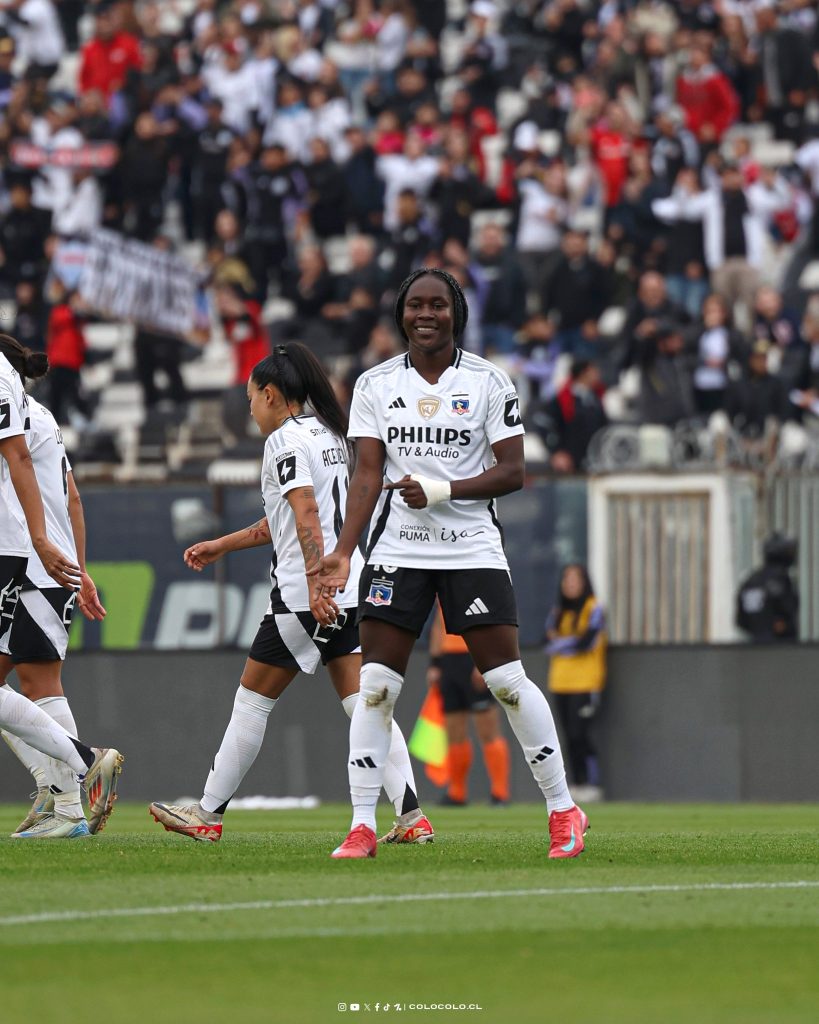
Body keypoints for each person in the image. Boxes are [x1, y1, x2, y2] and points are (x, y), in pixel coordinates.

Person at [310, 268, 588, 860]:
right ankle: (362, 824)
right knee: (377, 688)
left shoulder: (490, 381)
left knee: (508, 684)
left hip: (471, 549)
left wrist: (443, 490)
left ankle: (563, 810)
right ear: (401, 314)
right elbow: (366, 475)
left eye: (438, 305)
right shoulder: (374, 384)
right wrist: (340, 550)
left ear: (456, 312)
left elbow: (514, 472)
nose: (426, 314)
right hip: (397, 549)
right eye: (416, 305)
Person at [149, 343, 432, 845]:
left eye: (252, 397)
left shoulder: (284, 441)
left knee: (252, 701)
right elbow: (286, 519)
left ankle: (208, 813)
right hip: (348, 587)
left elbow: (304, 515)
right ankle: (412, 817)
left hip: (306, 594)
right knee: (364, 706)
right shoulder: (326, 435)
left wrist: (317, 583)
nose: (250, 407)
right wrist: (223, 544)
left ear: (273, 395)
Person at [0, 335, 123, 835]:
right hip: (50, 561)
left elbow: (48, 488)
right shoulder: (45, 418)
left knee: (37, 682)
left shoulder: (22, 416)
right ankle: (60, 797)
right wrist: (82, 567)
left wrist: (60, 557)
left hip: (35, 563)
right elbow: (73, 498)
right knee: (30, 681)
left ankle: (74, 783)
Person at [427, 601, 510, 807]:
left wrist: (485, 662)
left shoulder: (477, 577)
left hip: (474, 657)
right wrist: (435, 663)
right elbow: (438, 623)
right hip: (449, 662)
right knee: (454, 731)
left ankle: (500, 792)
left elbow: (492, 621)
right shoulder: (440, 581)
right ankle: (457, 793)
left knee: (487, 729)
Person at [545, 565, 607, 803]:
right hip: (560, 681)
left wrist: (561, 642)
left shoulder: (594, 607)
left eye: (574, 579)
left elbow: (587, 643)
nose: (569, 583)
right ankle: (576, 783)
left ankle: (592, 783)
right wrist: (569, 642)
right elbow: (546, 641)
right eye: (566, 579)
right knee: (568, 736)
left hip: (586, 681)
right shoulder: (558, 611)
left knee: (581, 733)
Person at [736, 533, 799, 644]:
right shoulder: (781, 581)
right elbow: (789, 612)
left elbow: (741, 621)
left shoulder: (750, 581)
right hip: (781, 648)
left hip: (754, 647)